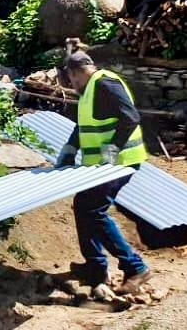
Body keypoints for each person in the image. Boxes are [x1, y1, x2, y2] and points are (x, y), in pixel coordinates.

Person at [54, 50, 153, 292]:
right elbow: (84, 126)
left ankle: (135, 268)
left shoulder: (106, 83)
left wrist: (113, 148)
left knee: (93, 210)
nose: (72, 84)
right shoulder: (89, 90)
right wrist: (70, 148)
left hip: (121, 161)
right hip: (103, 166)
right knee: (83, 206)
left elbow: (130, 117)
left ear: (77, 72)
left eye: (72, 79)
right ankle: (95, 267)